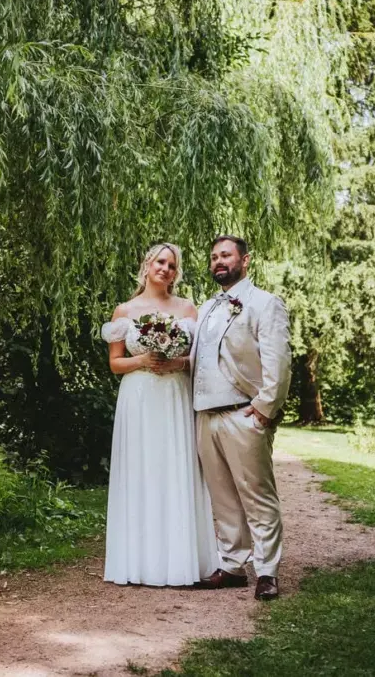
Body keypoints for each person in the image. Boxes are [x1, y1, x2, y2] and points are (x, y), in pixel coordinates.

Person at [100, 243, 220, 586]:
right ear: (147, 265)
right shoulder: (124, 310)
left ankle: (182, 560)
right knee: (142, 469)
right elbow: (115, 363)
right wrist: (143, 360)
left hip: (174, 395)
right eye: (160, 262)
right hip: (138, 398)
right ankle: (139, 562)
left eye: (172, 265)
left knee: (174, 467)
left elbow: (199, 358)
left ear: (176, 272)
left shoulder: (187, 309)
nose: (165, 268)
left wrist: (177, 361)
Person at [191, 235, 291, 601]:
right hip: (205, 415)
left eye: (226, 255)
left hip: (243, 413)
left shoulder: (265, 304)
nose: (219, 261)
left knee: (257, 495)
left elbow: (278, 362)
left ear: (245, 261)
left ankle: (267, 571)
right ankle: (232, 566)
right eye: (214, 256)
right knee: (223, 497)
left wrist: (265, 409)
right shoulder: (205, 309)